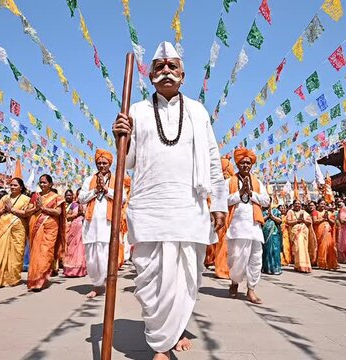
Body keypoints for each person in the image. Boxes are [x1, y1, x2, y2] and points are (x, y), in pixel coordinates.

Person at [112, 41, 227, 359]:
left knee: (186, 274)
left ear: (183, 74)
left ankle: (167, 339)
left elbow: (214, 159)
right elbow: (129, 160)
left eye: (172, 66)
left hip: (189, 205)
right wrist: (120, 135)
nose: (166, 71)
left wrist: (218, 202)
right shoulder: (136, 110)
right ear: (149, 75)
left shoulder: (198, 111)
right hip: (149, 204)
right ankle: (162, 331)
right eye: (159, 66)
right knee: (149, 276)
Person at [225, 148, 270, 304]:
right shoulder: (229, 182)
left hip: (254, 226)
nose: (246, 165)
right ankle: (234, 283)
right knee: (236, 258)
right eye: (243, 163)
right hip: (236, 226)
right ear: (237, 164)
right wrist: (239, 193)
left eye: (248, 163)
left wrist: (251, 193)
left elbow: (266, 201)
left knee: (255, 259)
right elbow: (223, 201)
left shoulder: (257, 182)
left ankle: (251, 290)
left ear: (251, 165)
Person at [78, 149, 123, 298]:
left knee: (104, 255)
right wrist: (95, 191)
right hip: (91, 224)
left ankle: (103, 284)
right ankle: (96, 284)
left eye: (104, 163)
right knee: (91, 257)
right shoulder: (89, 179)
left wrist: (107, 190)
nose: (101, 165)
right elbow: (81, 198)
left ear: (110, 164)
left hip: (107, 224)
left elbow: (122, 199)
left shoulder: (117, 179)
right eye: (99, 163)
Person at [0, 178, 31, 289]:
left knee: (16, 254)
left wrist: (12, 209)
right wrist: (5, 209)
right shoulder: (5, 198)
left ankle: (12, 278)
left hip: (19, 230)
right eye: (11, 185)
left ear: (21, 187)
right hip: (3, 228)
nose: (12, 187)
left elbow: (27, 214)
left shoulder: (26, 199)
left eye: (15, 185)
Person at [27, 175, 66, 291]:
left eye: (44, 182)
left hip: (50, 227)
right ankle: (34, 280)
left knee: (46, 252)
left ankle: (40, 281)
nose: (42, 185)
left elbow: (58, 212)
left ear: (50, 184)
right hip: (36, 226)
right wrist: (35, 209)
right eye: (40, 183)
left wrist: (43, 209)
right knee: (36, 252)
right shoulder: (35, 196)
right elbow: (28, 210)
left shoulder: (57, 197)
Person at [212, 157, 234, 279]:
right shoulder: (223, 184)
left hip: (229, 216)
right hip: (223, 216)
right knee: (223, 243)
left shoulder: (232, 183)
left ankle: (225, 269)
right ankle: (221, 269)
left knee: (227, 244)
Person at [63, 189, 87, 277]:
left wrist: (84, 214)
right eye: (79, 194)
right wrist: (77, 214)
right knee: (72, 247)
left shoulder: (88, 204)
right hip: (74, 226)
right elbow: (68, 216)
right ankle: (71, 270)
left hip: (84, 226)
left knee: (81, 248)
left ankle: (80, 270)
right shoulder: (73, 204)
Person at [286, 200, 314, 273]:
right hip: (295, 233)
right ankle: (298, 265)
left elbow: (310, 222)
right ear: (293, 204)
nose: (297, 205)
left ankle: (305, 265)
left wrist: (303, 220)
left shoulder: (304, 212)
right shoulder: (290, 212)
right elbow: (288, 222)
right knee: (297, 248)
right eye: (296, 204)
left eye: (299, 203)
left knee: (304, 248)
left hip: (304, 232)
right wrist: (297, 221)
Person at [312, 199, 337, 271]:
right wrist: (323, 219)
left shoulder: (329, 213)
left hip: (328, 232)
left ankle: (330, 263)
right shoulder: (315, 212)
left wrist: (328, 219)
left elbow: (333, 222)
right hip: (320, 232)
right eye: (321, 204)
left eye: (324, 204)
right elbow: (315, 221)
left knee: (329, 246)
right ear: (318, 204)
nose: (323, 205)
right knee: (322, 247)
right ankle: (322, 263)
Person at [261, 204, 283, 275]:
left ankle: (276, 268)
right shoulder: (260, 211)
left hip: (274, 233)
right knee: (266, 251)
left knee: (275, 250)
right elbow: (259, 221)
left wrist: (272, 217)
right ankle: (266, 268)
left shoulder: (276, 211)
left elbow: (280, 221)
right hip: (265, 234)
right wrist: (267, 216)